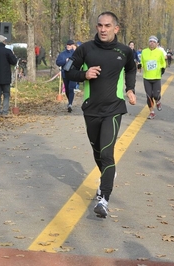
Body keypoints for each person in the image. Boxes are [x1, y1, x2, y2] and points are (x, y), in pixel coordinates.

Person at [65, 11, 136, 218]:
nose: (103, 29)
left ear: (116, 28)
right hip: (91, 109)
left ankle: (104, 199)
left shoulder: (124, 51)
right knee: (98, 152)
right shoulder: (85, 49)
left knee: (106, 152)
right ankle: (108, 174)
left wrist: (130, 89)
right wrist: (83, 75)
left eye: (107, 26)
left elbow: (131, 69)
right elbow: (69, 71)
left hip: (114, 109)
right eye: (99, 25)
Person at [141, 35, 166, 119]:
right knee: (149, 96)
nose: (152, 43)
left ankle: (158, 101)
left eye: (154, 42)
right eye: (150, 41)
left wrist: (163, 68)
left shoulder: (160, 52)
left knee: (155, 95)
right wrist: (139, 65)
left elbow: (163, 62)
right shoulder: (144, 52)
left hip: (156, 77)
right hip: (147, 77)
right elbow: (142, 62)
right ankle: (151, 112)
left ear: (157, 44)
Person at [56, 39, 77, 112]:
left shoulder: (75, 53)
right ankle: (69, 101)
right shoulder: (62, 54)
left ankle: (70, 104)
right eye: (67, 45)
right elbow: (58, 62)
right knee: (67, 89)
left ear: (72, 46)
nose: (68, 46)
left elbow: (80, 61)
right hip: (65, 74)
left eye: (70, 45)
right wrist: (65, 61)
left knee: (71, 88)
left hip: (73, 73)